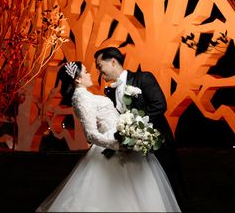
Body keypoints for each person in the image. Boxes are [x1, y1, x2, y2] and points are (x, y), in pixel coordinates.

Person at [35, 61, 181, 212]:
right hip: (113, 145)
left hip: (120, 136)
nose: (90, 73)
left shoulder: (85, 95)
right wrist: (118, 145)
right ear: (77, 79)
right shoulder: (81, 98)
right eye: (86, 71)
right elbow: (91, 134)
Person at [94, 46, 188, 211]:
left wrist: (135, 125)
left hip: (158, 143)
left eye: (100, 66)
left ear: (113, 62)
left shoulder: (143, 78)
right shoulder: (110, 91)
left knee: (169, 187)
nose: (99, 72)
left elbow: (159, 104)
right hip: (134, 149)